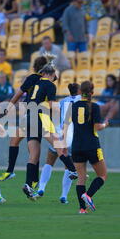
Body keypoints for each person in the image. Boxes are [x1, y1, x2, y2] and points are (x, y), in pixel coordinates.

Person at [22, 57, 77, 200]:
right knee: (58, 145)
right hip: (41, 117)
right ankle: (73, 169)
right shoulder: (49, 85)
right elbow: (53, 105)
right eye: (55, 78)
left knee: (33, 155)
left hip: (29, 118)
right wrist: (64, 111)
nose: (55, 81)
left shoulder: (34, 84)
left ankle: (28, 184)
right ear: (51, 74)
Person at [0, 56, 50, 182]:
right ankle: (34, 180)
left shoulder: (32, 78)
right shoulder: (48, 82)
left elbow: (18, 94)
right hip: (40, 115)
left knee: (17, 142)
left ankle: (11, 171)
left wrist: (8, 106)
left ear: (34, 67)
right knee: (33, 150)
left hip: (30, 115)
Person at [35, 83, 81, 203]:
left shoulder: (63, 101)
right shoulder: (82, 100)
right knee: (69, 166)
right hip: (73, 136)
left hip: (60, 133)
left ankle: (41, 188)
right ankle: (64, 196)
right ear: (79, 91)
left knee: (49, 161)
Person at [71, 80, 108, 213]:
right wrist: (105, 124)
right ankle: (88, 195)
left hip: (76, 146)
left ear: (80, 92)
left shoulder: (74, 106)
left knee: (81, 178)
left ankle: (82, 209)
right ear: (92, 92)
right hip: (92, 145)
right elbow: (97, 127)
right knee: (102, 175)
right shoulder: (95, 106)